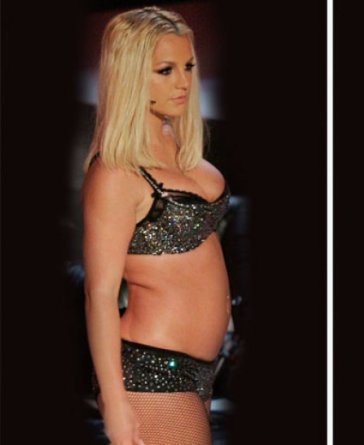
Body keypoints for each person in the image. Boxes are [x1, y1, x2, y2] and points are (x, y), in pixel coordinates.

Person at [82, 7, 231, 445]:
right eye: (165, 70)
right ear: (130, 76)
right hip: (152, 371)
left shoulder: (176, 143)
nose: (183, 82)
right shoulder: (115, 173)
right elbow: (100, 294)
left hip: (202, 369)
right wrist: (114, 404)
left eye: (188, 67)